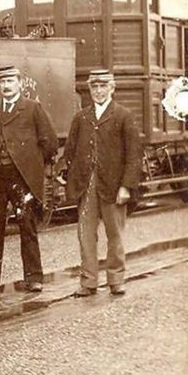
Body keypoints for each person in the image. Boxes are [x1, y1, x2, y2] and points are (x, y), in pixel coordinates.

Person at [0, 65, 57, 293]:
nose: (6, 86)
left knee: (27, 228)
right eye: (2, 82)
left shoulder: (33, 108)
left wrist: (33, 167)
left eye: (10, 81)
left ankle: (34, 277)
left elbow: (49, 142)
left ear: (20, 83)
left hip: (22, 179)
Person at [62, 69, 142, 296]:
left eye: (103, 86)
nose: (98, 91)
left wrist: (126, 186)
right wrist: (70, 174)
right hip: (86, 186)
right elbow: (70, 150)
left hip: (114, 186)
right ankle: (88, 282)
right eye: (94, 87)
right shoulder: (81, 117)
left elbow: (134, 155)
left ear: (112, 88)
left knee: (114, 233)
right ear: (89, 90)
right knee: (85, 234)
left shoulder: (124, 116)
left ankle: (116, 279)